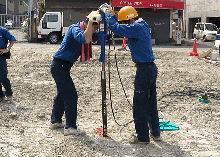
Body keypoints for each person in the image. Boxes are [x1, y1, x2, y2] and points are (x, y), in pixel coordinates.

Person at [99, 4, 161, 143]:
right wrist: (114, 16)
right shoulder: (142, 24)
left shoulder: (136, 27)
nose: (124, 25)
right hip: (150, 68)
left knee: (140, 104)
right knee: (151, 102)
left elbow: (116, 28)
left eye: (124, 22)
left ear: (129, 20)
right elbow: (120, 27)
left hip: (144, 70)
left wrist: (108, 15)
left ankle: (142, 137)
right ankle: (155, 133)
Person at [50, 11, 101, 136]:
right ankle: (70, 127)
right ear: (89, 24)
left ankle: (55, 121)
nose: (94, 31)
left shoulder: (87, 30)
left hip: (63, 67)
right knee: (71, 95)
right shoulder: (75, 29)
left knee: (62, 94)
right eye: (94, 27)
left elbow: (96, 36)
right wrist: (91, 25)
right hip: (59, 66)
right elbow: (84, 39)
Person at [0, 26, 16, 102]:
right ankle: (1, 95)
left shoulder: (3, 30)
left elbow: (13, 39)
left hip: (1, 55)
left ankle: (9, 94)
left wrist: (7, 49)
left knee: (3, 75)